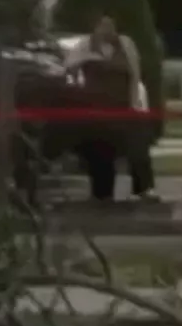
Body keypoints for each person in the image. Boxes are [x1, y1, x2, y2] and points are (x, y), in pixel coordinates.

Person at [65, 14, 159, 202]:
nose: (108, 29)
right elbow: (69, 67)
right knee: (100, 149)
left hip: (124, 106)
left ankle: (143, 189)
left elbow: (135, 72)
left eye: (111, 25)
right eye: (103, 25)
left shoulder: (125, 44)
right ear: (95, 27)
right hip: (97, 109)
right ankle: (102, 193)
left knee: (138, 146)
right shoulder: (85, 45)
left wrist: (135, 103)